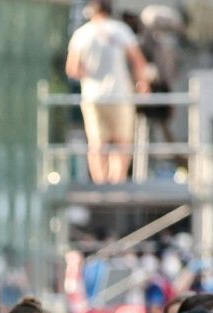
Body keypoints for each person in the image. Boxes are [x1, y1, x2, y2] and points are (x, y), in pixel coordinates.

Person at [65, 0, 150, 184]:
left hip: (92, 96)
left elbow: (72, 68)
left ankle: (100, 183)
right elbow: (138, 61)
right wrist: (143, 84)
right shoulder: (120, 30)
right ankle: (117, 181)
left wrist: (90, 74)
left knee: (97, 143)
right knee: (122, 141)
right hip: (120, 95)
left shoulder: (82, 33)